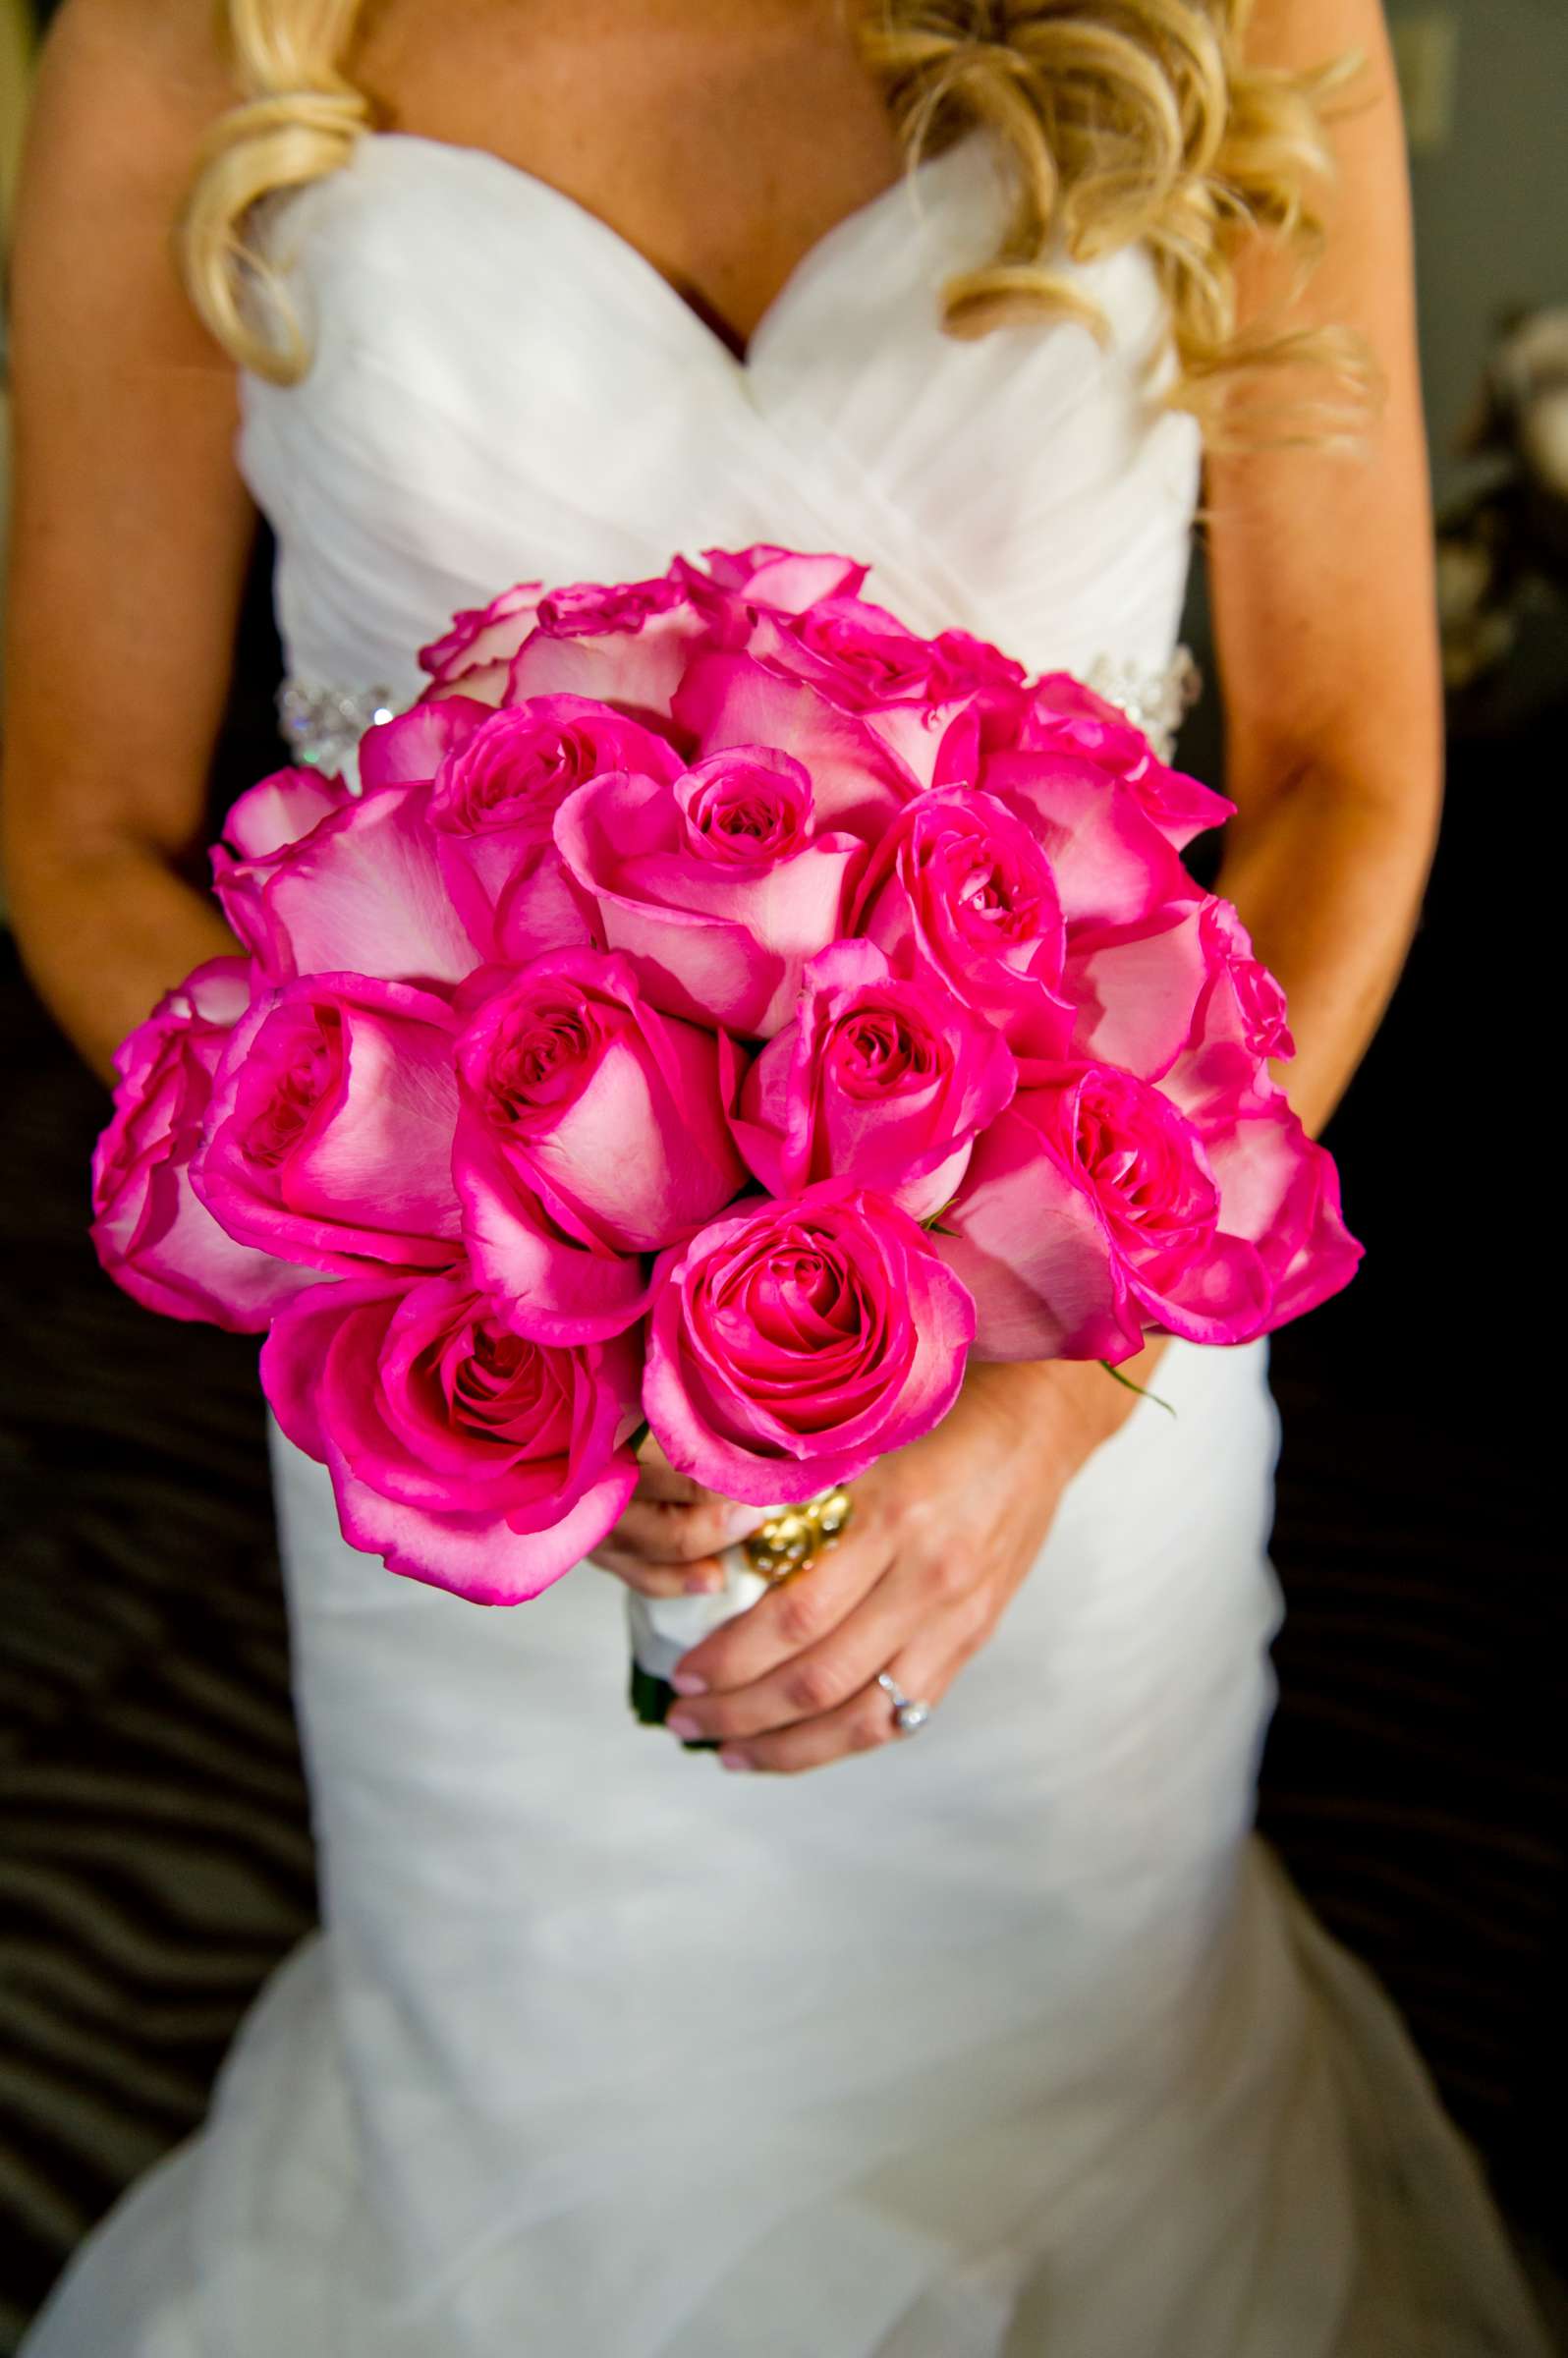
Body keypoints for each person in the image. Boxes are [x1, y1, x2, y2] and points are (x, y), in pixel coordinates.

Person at [2, 1, 1551, 2350]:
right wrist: (463, 1261)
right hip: (475, 1427)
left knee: (1092, 2120)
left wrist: (1064, 1385)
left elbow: (1348, 774)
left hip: (1057, 1419)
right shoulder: (194, 26)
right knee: (541, 2146)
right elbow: (76, 828)